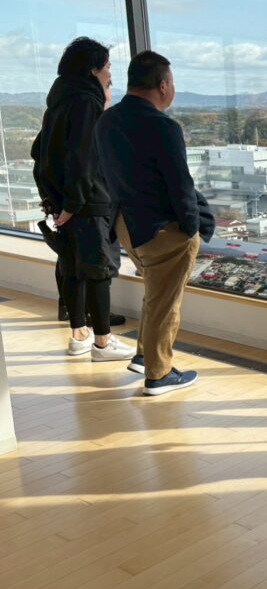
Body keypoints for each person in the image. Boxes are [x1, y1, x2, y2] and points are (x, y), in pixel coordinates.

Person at [95, 50, 201, 396]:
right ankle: (159, 373)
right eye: (172, 83)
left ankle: (144, 356)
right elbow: (180, 185)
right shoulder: (164, 126)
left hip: (126, 224)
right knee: (166, 301)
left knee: (155, 291)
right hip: (161, 228)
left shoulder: (106, 121)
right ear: (163, 85)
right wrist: (192, 228)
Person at [31, 37, 134, 362]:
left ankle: (79, 336)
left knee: (73, 268)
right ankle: (103, 343)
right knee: (98, 270)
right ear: (92, 69)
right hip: (88, 202)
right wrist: (73, 204)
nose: (110, 73)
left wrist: (55, 203)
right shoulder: (87, 103)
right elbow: (84, 158)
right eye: (107, 67)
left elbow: (38, 153)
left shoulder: (58, 102)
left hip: (68, 204)